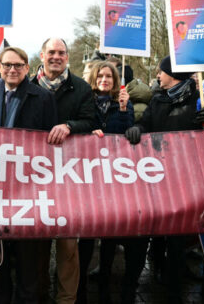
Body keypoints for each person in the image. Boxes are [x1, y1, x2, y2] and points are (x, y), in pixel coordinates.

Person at [0, 46, 57, 304]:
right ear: (0, 67)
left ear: (27, 68)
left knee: (28, 261)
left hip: (28, 188)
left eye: (18, 65)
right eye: (7, 65)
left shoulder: (42, 97)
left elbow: (51, 142)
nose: (12, 70)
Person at [123, 56, 204, 304]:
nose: (157, 76)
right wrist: (137, 129)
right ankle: (130, 288)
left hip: (185, 181)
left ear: (173, 74)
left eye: (160, 71)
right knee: (142, 237)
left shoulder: (199, 100)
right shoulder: (158, 99)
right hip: (155, 179)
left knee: (177, 242)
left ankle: (174, 290)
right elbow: (147, 122)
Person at [31, 38, 97, 304]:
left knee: (68, 246)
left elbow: (91, 119)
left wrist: (69, 125)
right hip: (34, 177)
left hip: (69, 177)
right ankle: (40, 293)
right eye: (52, 52)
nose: (56, 57)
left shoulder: (80, 87)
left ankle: (66, 299)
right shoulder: (29, 86)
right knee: (37, 244)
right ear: (42, 55)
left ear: (67, 57)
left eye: (61, 53)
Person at [79, 61, 142, 304]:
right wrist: (89, 134)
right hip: (87, 176)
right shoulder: (85, 103)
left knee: (109, 236)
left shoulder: (125, 104)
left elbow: (127, 134)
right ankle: (81, 285)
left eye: (109, 76)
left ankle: (104, 282)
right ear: (94, 78)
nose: (104, 79)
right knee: (86, 234)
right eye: (100, 75)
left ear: (115, 81)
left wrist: (127, 114)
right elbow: (81, 126)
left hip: (113, 178)